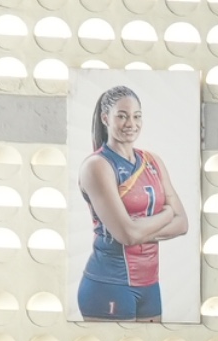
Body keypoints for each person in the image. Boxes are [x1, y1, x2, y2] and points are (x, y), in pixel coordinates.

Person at [76, 85, 187, 322]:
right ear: (106, 118)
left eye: (137, 116)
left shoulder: (152, 161)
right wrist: (167, 214)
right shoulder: (97, 166)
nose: (131, 123)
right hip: (108, 284)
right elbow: (127, 235)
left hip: (150, 285)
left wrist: (139, 230)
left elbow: (183, 223)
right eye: (122, 116)